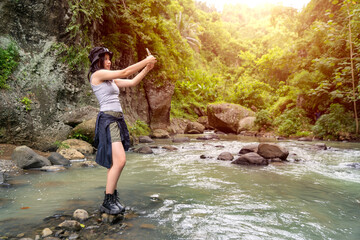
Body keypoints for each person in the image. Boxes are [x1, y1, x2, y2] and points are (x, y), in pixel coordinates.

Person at [88, 47, 157, 215]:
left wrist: (147, 69)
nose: (109, 61)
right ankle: (107, 200)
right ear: (98, 61)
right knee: (120, 161)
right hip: (108, 120)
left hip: (117, 120)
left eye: (109, 58)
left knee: (116, 162)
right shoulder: (97, 76)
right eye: (105, 58)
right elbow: (126, 72)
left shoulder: (110, 80)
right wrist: (145, 61)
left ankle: (112, 197)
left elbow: (132, 82)